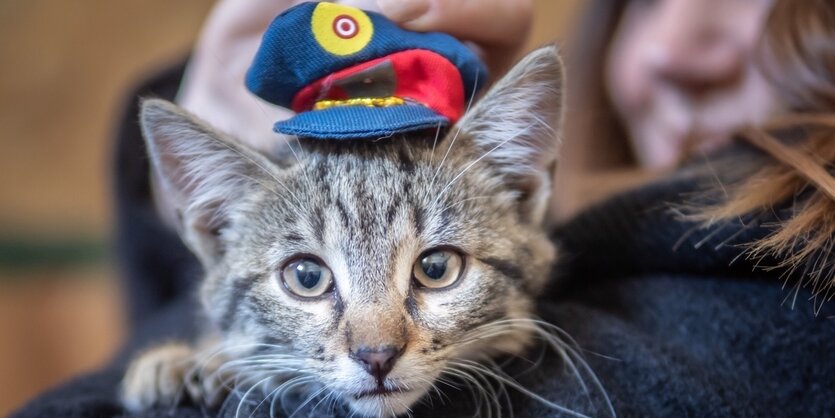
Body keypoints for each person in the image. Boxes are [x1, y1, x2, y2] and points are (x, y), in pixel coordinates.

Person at [12, 1, 835, 417]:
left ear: (520, 192)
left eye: (433, 266)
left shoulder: (778, 317)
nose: (376, 343)